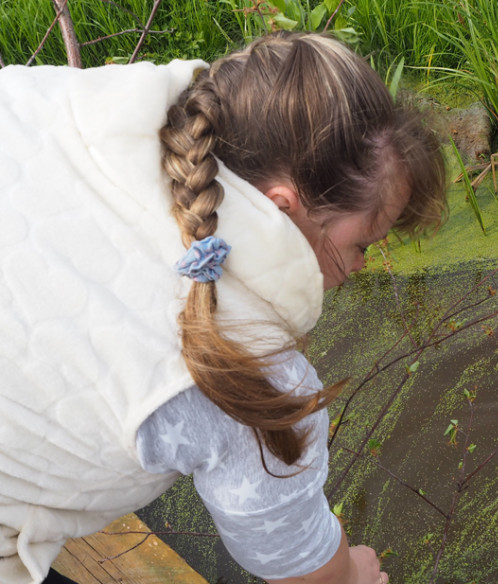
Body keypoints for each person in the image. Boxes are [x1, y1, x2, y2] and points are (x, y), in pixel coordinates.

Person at [0, 31, 446, 584]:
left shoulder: (76, 103)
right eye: (364, 244)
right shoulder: (247, 364)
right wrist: (354, 572)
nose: (360, 266)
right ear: (283, 207)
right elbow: (302, 569)